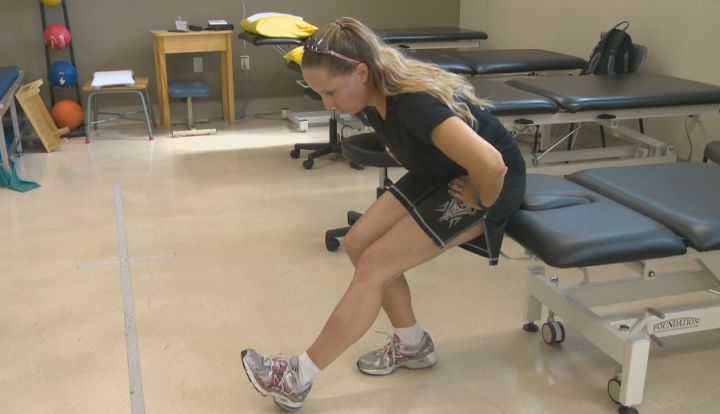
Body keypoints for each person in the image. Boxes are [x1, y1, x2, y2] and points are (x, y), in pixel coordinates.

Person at [241, 16, 526, 411]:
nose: (327, 104)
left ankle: (297, 377)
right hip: (440, 171)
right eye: (319, 94)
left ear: (361, 72)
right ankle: (412, 344)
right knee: (358, 243)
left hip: (485, 183)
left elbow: (493, 165)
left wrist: (483, 201)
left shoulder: (415, 106)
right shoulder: (370, 94)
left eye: (330, 92)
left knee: (375, 266)